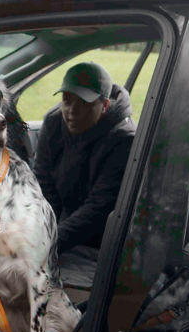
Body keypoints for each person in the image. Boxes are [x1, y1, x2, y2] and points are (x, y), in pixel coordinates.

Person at [34, 61, 136, 258]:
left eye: (84, 103)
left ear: (104, 105)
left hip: (102, 241)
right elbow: (43, 183)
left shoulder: (123, 140)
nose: (72, 110)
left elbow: (99, 207)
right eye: (67, 99)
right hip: (63, 225)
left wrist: (51, 243)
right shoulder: (54, 121)